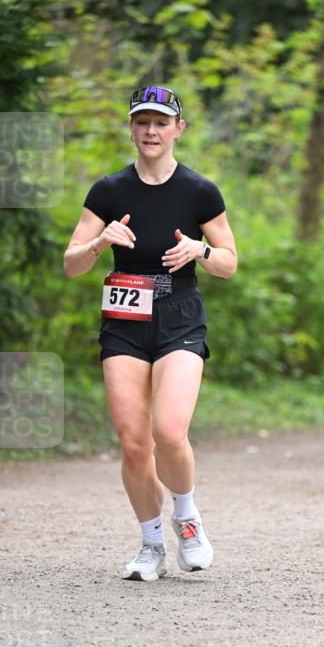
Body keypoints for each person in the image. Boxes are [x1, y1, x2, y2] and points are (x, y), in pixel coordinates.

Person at [64, 85, 237, 581]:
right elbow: (71, 264)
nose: (151, 131)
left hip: (180, 313)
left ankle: (185, 515)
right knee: (134, 442)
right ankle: (150, 545)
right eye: (142, 122)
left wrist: (201, 252)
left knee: (168, 431)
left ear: (178, 129)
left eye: (161, 122)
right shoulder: (108, 191)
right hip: (124, 318)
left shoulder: (199, 191)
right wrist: (99, 241)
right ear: (131, 128)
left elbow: (229, 262)